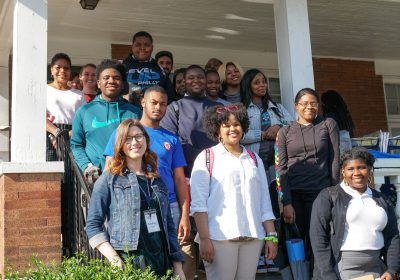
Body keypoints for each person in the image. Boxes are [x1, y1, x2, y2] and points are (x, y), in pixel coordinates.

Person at [86, 119, 185, 279]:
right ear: (120, 144)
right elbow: (92, 226)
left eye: (139, 136)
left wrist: (178, 266)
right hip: (129, 264)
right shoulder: (109, 180)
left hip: (161, 263)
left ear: (146, 140)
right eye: (128, 138)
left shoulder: (157, 180)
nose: (134, 142)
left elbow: (169, 226)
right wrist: (115, 260)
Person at [190, 104, 278, 280]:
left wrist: (272, 236)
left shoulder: (254, 159)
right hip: (219, 238)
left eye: (237, 124)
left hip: (253, 237)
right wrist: (205, 239)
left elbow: (264, 201)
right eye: (226, 125)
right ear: (217, 130)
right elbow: (199, 204)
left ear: (243, 127)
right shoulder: (207, 157)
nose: (233, 129)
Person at [103, 86, 191, 244]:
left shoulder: (172, 139)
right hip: (132, 203)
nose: (158, 107)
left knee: (170, 257)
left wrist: (185, 215)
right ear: (143, 102)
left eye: (163, 104)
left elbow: (179, 179)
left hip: (168, 205)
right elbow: (109, 171)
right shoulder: (123, 133)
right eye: (154, 102)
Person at [161, 64, 220, 279]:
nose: (196, 81)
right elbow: (171, 141)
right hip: (184, 180)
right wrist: (199, 154)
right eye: (191, 77)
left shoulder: (217, 108)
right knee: (185, 238)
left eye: (200, 77)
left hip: (215, 181)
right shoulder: (175, 108)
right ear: (183, 82)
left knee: (213, 234)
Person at [310, 147, 399, 280]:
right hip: (343, 269)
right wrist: (328, 275)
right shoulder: (328, 197)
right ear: (343, 172)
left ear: (370, 169)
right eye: (350, 169)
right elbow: (318, 238)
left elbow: (393, 237)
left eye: (361, 167)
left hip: (377, 269)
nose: (356, 173)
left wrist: (392, 270)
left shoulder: (382, 200)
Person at [275, 88, 340, 262]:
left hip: (321, 193)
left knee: (319, 243)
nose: (309, 107)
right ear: (296, 106)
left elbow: (334, 161)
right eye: (304, 103)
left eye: (313, 103)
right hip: (294, 196)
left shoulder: (328, 124)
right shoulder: (284, 132)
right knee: (296, 246)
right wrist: (286, 202)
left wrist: (334, 194)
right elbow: (280, 169)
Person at [71, 59, 141, 177]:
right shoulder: (84, 112)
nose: (111, 81)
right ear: (98, 83)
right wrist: (87, 167)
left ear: (123, 83)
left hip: (129, 178)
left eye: (116, 78)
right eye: (106, 78)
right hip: (95, 179)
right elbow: (76, 145)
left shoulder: (135, 113)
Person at [46, 52, 86, 161]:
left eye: (66, 68)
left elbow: (84, 120)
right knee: (51, 172)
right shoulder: (43, 90)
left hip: (73, 134)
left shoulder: (79, 94)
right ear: (51, 70)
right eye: (58, 67)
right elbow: (37, 116)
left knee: (71, 173)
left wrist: (67, 135)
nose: (62, 71)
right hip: (49, 135)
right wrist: (57, 133)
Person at [123, 31, 176, 103]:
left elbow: (170, 98)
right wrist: (123, 97)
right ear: (132, 47)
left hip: (154, 113)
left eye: (146, 45)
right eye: (138, 45)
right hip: (127, 111)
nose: (142, 48)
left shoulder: (159, 69)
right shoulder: (122, 66)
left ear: (152, 47)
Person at [321, 90, 355, 155]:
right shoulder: (344, 115)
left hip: (335, 150)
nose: (322, 105)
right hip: (347, 149)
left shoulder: (329, 117)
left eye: (323, 103)